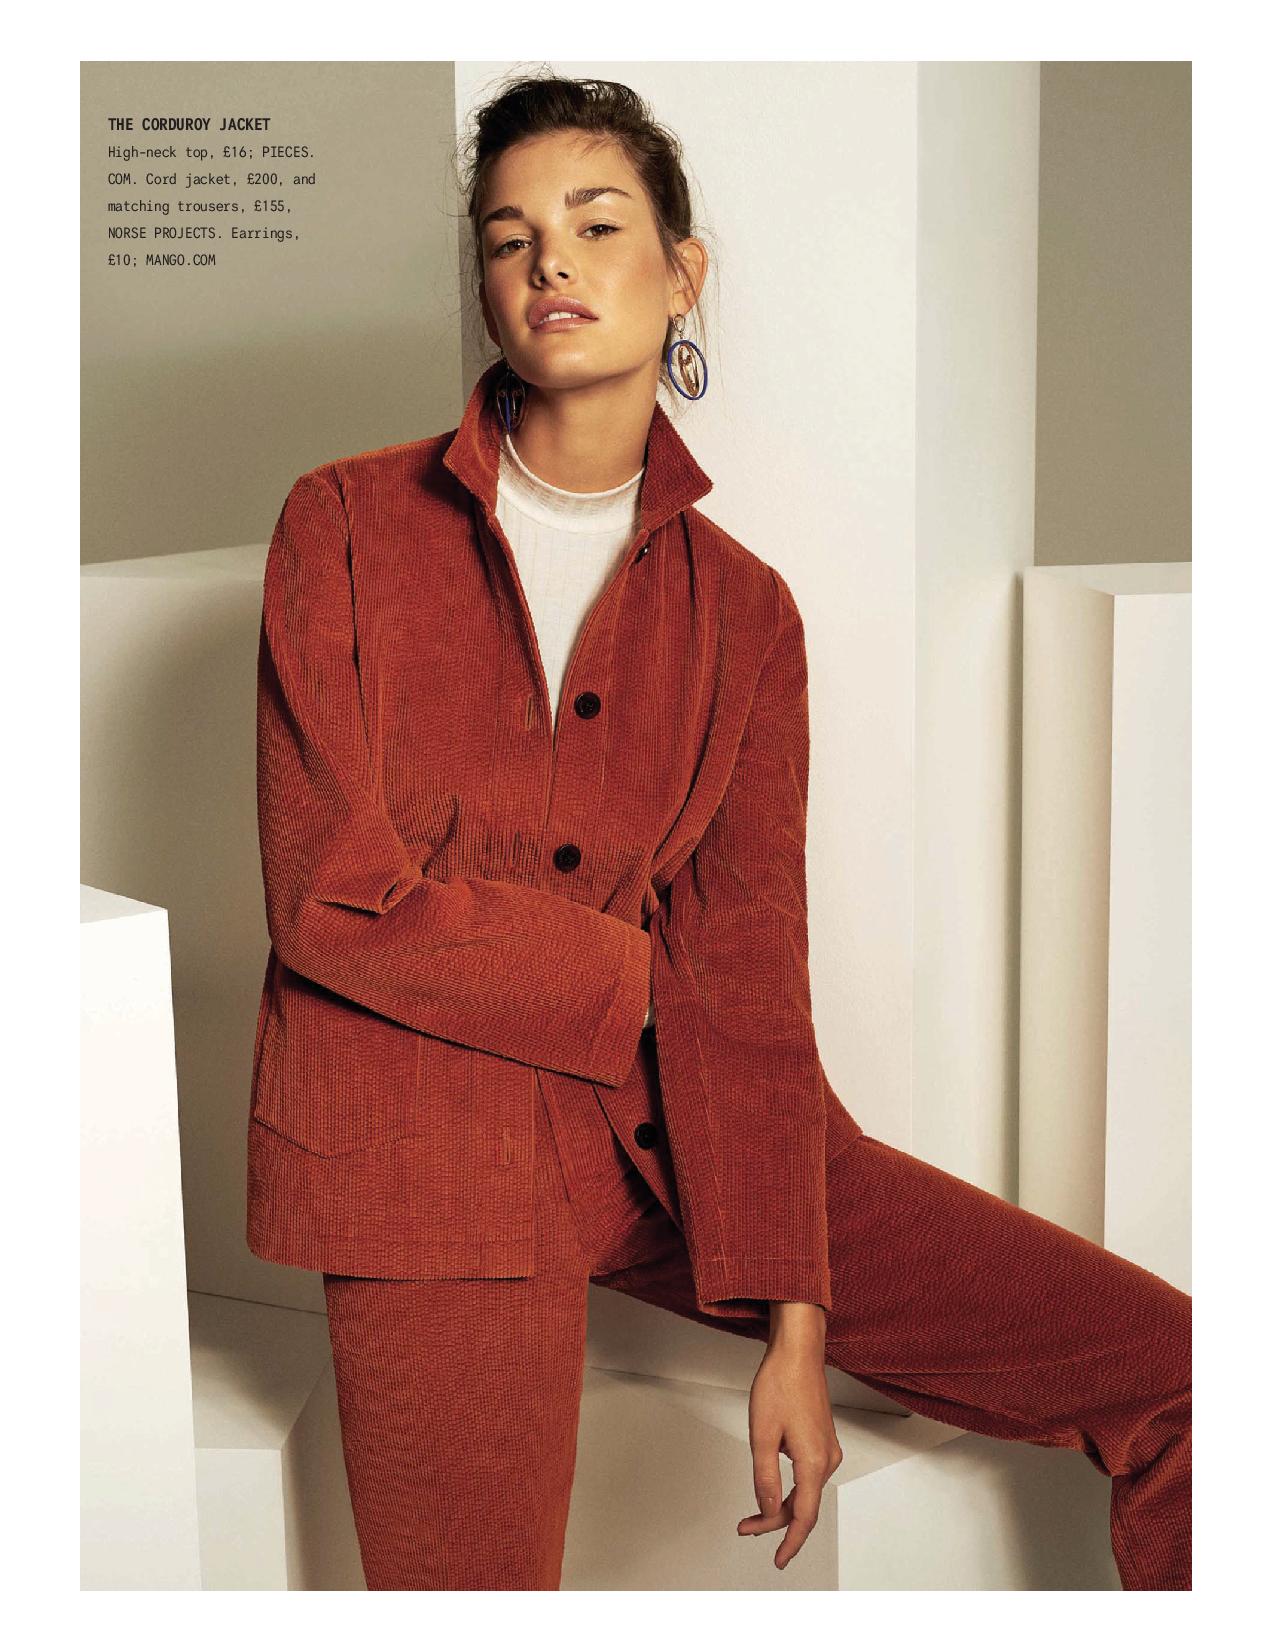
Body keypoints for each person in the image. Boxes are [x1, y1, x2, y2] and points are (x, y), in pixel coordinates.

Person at [246, 73, 1191, 1591]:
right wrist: (628, 977)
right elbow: (332, 898)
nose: (549, 263)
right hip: (431, 1160)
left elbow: (745, 969)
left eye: (595, 224)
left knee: (1182, 1373)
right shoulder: (344, 528)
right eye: (509, 238)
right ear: (485, 286)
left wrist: (794, 1322)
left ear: (683, 271)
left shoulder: (744, 612)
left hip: (677, 1132)